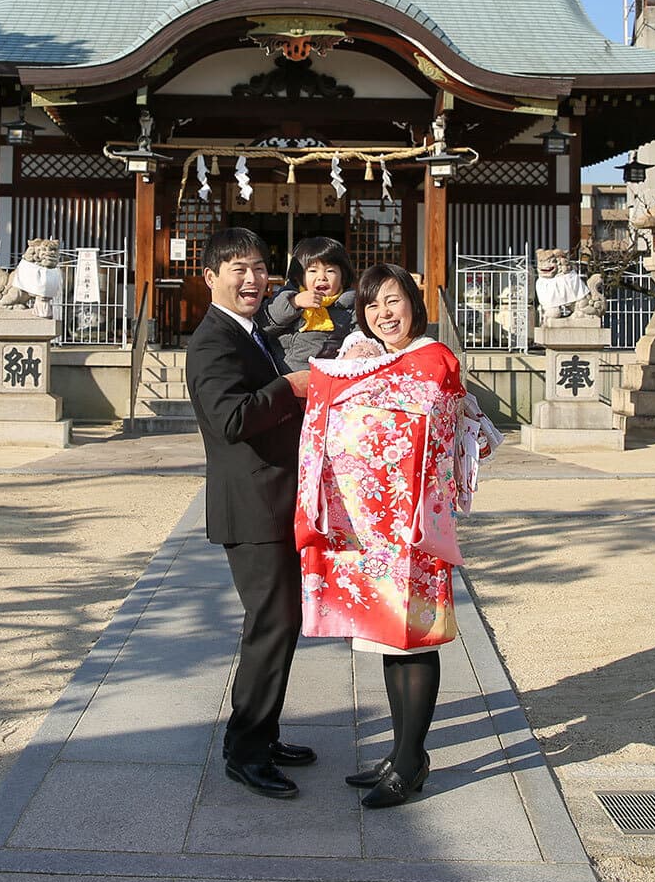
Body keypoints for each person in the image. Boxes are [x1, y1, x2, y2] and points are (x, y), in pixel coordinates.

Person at [294, 263, 501, 808]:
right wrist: (352, 370)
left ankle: (411, 761)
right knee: (389, 638)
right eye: (370, 306)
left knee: (414, 640)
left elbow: (412, 419)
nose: (383, 315)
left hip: (412, 528)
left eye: (393, 301)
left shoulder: (433, 359)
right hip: (375, 527)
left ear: (414, 303)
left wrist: (348, 376)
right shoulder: (381, 359)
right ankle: (400, 750)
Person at [184, 226, 314, 800]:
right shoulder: (213, 340)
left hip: (275, 497)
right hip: (253, 505)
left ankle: (263, 731)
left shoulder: (252, 332)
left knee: (281, 624)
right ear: (210, 277)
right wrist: (290, 387)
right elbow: (230, 419)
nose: (252, 279)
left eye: (260, 267)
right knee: (272, 625)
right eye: (238, 268)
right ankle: (246, 749)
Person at [260, 236, 357, 368]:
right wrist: (294, 303)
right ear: (299, 277)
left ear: (343, 276)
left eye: (330, 271)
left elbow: (360, 334)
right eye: (312, 271)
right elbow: (264, 324)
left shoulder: (350, 305)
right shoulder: (288, 297)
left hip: (328, 375)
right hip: (283, 374)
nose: (322, 277)